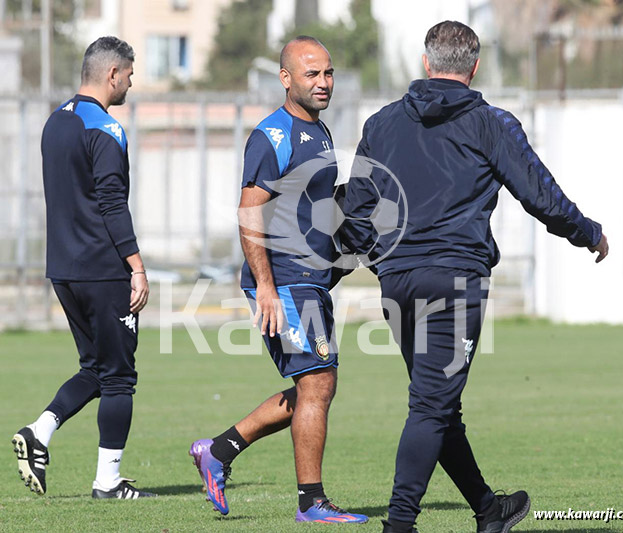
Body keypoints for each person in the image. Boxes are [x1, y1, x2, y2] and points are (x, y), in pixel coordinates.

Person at [341, 21, 608, 533]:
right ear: (475, 66)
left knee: (439, 406)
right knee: (430, 406)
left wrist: (384, 264)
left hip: (399, 282)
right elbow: (540, 195)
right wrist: (588, 232)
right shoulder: (490, 122)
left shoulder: (381, 124)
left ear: (426, 63)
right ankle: (399, 525)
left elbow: (355, 215)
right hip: (455, 280)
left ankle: (489, 509)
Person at [189, 36, 367, 524]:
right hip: (283, 282)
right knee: (318, 382)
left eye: (327, 73)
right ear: (285, 78)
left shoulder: (323, 132)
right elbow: (250, 213)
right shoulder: (273, 135)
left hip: (311, 280)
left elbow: (313, 210)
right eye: (311, 74)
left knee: (316, 387)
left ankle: (219, 451)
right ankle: (311, 501)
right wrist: (265, 288)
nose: (323, 82)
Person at [11, 36, 154, 500]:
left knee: (94, 368)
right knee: (120, 379)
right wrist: (136, 265)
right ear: (113, 74)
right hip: (104, 269)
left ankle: (39, 431)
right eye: (129, 74)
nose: (132, 82)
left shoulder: (55, 122)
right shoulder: (106, 128)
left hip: (64, 269)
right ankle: (107, 482)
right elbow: (112, 202)